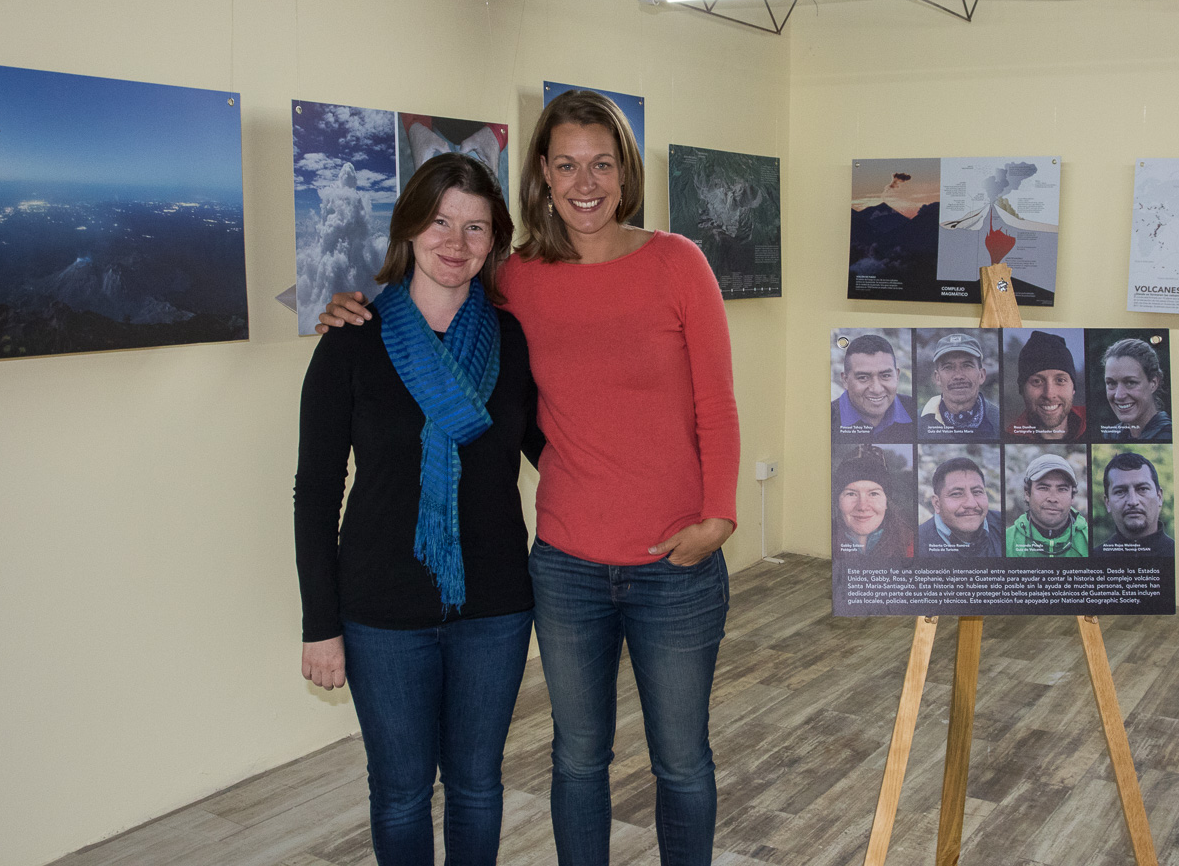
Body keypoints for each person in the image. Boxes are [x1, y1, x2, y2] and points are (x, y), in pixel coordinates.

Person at [319, 90, 740, 866]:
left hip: (674, 562)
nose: (586, 182)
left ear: (625, 172)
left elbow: (716, 402)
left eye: (602, 163)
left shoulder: (678, 262)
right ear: (543, 174)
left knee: (681, 760)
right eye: (567, 164)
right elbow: (437, 310)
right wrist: (351, 305)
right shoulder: (517, 283)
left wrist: (717, 518)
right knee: (578, 759)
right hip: (567, 564)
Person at [294, 153, 542, 866]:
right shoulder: (351, 340)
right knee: (401, 791)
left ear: (494, 240)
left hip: (494, 605)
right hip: (380, 609)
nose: (456, 243)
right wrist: (321, 624)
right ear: (408, 227)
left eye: (475, 227)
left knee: (476, 786)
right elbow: (315, 491)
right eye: (439, 222)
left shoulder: (512, 340)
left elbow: (554, 453)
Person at [832, 447, 915, 561]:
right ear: (838, 502)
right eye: (851, 494)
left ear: (886, 502)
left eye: (873, 494)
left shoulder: (912, 545)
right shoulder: (821, 542)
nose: (862, 506)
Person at [832, 333, 917, 442]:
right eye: (863, 377)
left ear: (897, 376)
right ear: (845, 380)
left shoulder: (918, 413)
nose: (877, 389)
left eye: (885, 376)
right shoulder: (827, 419)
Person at [1007, 330, 1086, 442]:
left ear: (1073, 387)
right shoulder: (1010, 437)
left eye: (1060, 380)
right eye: (1037, 381)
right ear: (1022, 389)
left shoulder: (1094, 424)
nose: (1049, 394)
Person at [916, 457, 1004, 557]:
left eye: (977, 492)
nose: (971, 504)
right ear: (937, 503)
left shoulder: (1003, 527)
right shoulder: (916, 543)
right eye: (956, 494)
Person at [1005, 454, 1089, 558]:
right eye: (1043, 488)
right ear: (1027, 493)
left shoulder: (1089, 540)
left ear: (1072, 496)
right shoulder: (1006, 541)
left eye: (1062, 489)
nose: (1052, 499)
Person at [919, 332, 999, 440]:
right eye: (948, 367)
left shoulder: (999, 421)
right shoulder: (917, 422)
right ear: (937, 378)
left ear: (982, 375)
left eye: (967, 365)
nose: (958, 376)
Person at [1097, 451, 1174, 556]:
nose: (1133, 501)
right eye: (1120, 492)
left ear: (1159, 497)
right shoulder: (1096, 556)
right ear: (1108, 503)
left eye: (1142, 489)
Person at [1101, 338, 1172, 441]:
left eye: (1130, 382)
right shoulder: (1111, 435)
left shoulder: (1169, 436)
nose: (1119, 395)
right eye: (1111, 383)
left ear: (1153, 383)